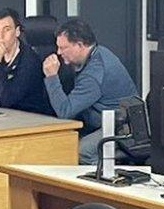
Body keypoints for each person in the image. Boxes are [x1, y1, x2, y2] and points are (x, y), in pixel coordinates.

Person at [41, 19, 138, 165]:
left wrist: (52, 76)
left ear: (79, 45)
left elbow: (64, 111)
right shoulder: (98, 52)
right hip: (105, 120)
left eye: (63, 47)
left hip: (121, 127)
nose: (58, 52)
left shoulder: (93, 74)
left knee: (81, 151)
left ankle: (108, 171)